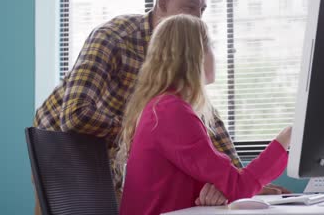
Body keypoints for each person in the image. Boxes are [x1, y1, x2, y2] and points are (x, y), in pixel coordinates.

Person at [33, 0, 288, 214]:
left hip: (113, 152)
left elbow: (205, 122)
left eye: (202, 10)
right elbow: (76, 114)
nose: (197, 18)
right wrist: (144, 131)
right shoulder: (115, 38)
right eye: (190, 8)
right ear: (163, 2)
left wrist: (235, 181)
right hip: (60, 143)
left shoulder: (175, 84)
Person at [118, 14, 292, 215]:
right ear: (195, 56)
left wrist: (215, 189)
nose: (214, 56)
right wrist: (286, 138)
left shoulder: (162, 107)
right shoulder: (170, 112)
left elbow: (219, 183)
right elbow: (237, 186)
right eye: (210, 47)